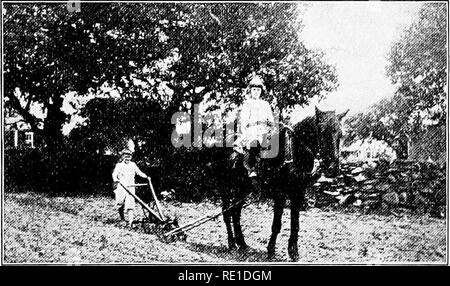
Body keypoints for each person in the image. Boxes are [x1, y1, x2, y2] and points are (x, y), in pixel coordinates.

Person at [236, 75, 275, 177]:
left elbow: (270, 119)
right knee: (255, 143)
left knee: (277, 142)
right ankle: (252, 169)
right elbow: (243, 121)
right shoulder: (247, 104)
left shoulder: (265, 104)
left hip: (264, 130)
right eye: (254, 89)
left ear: (261, 91)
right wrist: (244, 134)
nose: (256, 92)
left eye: (258, 90)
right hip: (251, 130)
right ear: (250, 91)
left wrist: (271, 127)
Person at [112, 149, 149, 227]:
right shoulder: (119, 165)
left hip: (131, 186)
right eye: (126, 157)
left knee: (130, 204)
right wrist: (116, 180)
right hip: (122, 185)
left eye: (129, 157)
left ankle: (130, 222)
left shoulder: (133, 165)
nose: (127, 159)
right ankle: (122, 218)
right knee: (120, 202)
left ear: (131, 157)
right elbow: (114, 174)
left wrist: (146, 177)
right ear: (122, 157)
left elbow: (139, 172)